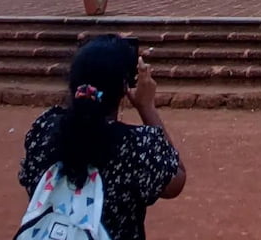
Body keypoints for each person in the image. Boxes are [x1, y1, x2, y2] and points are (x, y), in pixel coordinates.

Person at [19, 34, 185, 240]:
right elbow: (176, 179)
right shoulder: (137, 147)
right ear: (124, 88)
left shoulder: (44, 130)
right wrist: (146, 107)